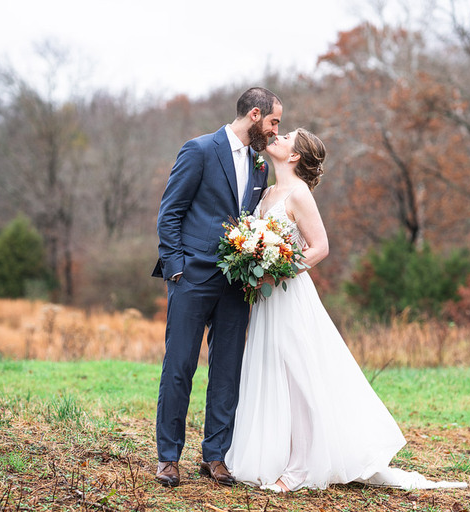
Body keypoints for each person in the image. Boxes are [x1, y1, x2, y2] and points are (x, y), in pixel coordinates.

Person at [225, 128, 467, 493]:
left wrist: (276, 271)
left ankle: (301, 469)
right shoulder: (266, 191)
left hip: (290, 296)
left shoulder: (299, 194)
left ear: (294, 156)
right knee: (275, 373)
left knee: (301, 377)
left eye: (286, 136)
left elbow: (320, 247)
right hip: (266, 300)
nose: (277, 136)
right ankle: (276, 455)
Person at [151, 87, 283, 488]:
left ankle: (216, 456)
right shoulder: (200, 150)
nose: (277, 131)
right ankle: (168, 458)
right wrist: (177, 270)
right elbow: (169, 212)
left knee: (227, 371)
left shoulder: (260, 166)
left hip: (235, 285)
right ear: (255, 115)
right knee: (180, 367)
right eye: (274, 121)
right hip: (192, 278)